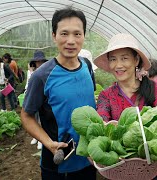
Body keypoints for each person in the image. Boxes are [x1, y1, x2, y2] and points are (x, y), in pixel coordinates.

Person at [21, 7, 97, 180]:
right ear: (54, 35)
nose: (71, 41)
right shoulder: (42, 76)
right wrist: (48, 144)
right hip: (59, 162)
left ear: (84, 36)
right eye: (64, 33)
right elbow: (26, 116)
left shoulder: (87, 66)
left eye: (77, 34)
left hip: (89, 158)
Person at [93, 33, 157, 179]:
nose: (118, 65)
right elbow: (102, 124)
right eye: (113, 59)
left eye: (124, 58)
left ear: (136, 60)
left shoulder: (154, 89)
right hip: (122, 169)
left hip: (154, 169)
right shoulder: (107, 96)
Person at [24, 50, 48, 150]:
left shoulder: (47, 72)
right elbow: (28, 84)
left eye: (41, 61)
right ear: (35, 63)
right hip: (33, 97)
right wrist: (26, 92)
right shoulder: (30, 72)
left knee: (42, 118)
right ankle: (35, 137)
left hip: (44, 98)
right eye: (37, 61)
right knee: (33, 117)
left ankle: (41, 140)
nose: (39, 63)